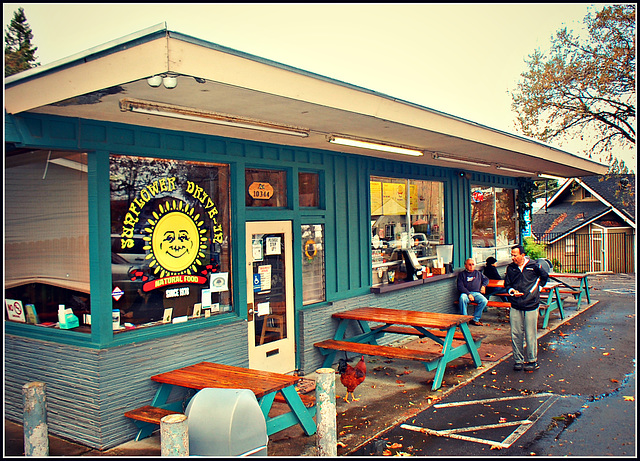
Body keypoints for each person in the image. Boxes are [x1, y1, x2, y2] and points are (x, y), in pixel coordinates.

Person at [504, 244, 549, 372]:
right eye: (511, 255)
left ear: (522, 255)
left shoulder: (534, 266)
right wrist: (512, 291)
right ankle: (518, 360)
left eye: (515, 255)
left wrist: (537, 290)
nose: (513, 258)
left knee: (530, 334)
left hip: (531, 304)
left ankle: (532, 360)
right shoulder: (511, 268)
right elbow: (507, 284)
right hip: (516, 304)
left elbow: (544, 277)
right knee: (516, 334)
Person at [457, 258, 489, 326]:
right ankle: (464, 319)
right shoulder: (462, 274)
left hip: (476, 293)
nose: (471, 266)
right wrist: (468, 294)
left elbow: (486, 279)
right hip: (465, 293)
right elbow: (460, 286)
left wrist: (483, 286)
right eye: (469, 264)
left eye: (473, 264)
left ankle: (475, 319)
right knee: (462, 298)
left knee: (484, 301)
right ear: (465, 265)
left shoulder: (478, 273)